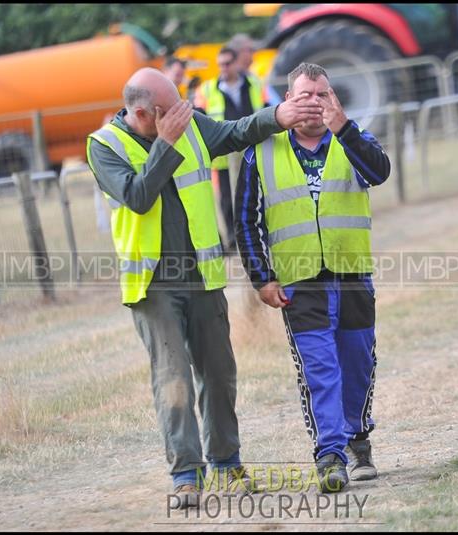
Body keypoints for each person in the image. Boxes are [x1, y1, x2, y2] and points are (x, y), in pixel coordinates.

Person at [86, 67, 322, 509]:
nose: (183, 112)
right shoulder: (104, 147)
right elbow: (138, 197)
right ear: (143, 113)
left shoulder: (189, 125)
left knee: (218, 373)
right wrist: (167, 143)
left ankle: (227, 466)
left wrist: (279, 114)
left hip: (203, 277)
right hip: (154, 285)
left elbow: (234, 132)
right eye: (169, 110)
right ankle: (186, 476)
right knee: (172, 378)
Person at [235, 63, 390, 493]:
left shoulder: (353, 139)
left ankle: (359, 441)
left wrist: (345, 129)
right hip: (299, 281)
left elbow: (379, 172)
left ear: (333, 99)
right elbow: (245, 221)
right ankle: (330, 456)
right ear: (286, 101)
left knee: (357, 362)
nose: (313, 104)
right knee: (320, 369)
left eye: (321, 95)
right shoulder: (261, 151)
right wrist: (261, 277)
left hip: (352, 273)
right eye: (304, 95)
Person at [194, 47, 267, 252]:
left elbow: (267, 108)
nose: (223, 68)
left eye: (227, 63)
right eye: (220, 64)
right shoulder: (207, 90)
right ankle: (233, 243)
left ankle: (258, 235)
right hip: (223, 156)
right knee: (226, 201)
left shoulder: (255, 84)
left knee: (257, 196)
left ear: (236, 63)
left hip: (253, 151)